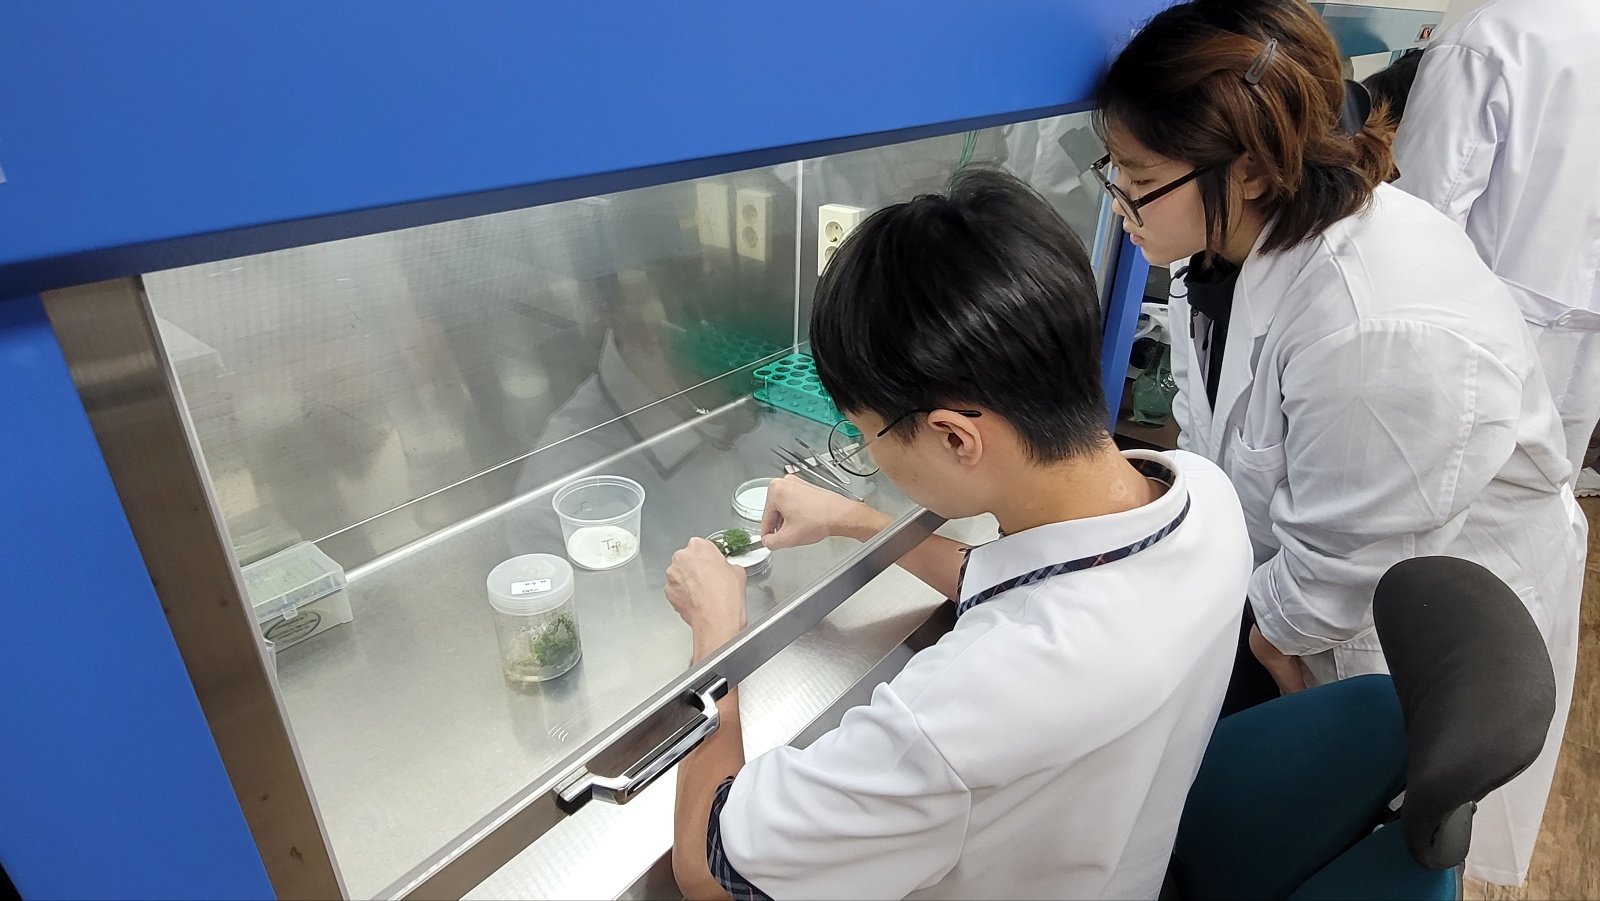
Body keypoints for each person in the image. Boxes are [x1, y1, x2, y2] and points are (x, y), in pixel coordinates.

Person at [1093, 0, 1584, 886]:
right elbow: (1224, 430)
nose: (1118, 201)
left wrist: (1237, 633)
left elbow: (1337, 579)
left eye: (1137, 176)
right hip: (1314, 570)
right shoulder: (1241, 248)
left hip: (1382, 617)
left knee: (1308, 828)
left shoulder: (1380, 328)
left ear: (1247, 169)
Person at [663, 169, 1253, 900]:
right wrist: (858, 522)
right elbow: (1037, 584)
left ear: (954, 436)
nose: (867, 453)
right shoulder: (1206, 499)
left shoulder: (961, 711)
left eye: (864, 435)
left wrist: (717, 644)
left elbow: (710, 865)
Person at [1392, 0, 1600, 496]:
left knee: (1443, 501)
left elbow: (1413, 223)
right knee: (1543, 497)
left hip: (1476, 342)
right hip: (1579, 343)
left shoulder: (1489, 39)